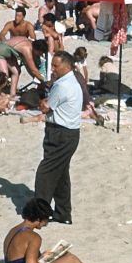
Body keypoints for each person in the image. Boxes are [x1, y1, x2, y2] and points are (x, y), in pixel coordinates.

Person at [2, 199, 119, 263]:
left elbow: (18, 259)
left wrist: (42, 256)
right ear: (38, 219)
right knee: (71, 260)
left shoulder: (13, 230)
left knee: (64, 255)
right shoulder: (34, 237)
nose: (46, 223)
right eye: (46, 220)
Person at [33, 51, 82, 224]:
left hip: (60, 133)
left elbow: (46, 107)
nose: (52, 69)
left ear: (66, 66)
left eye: (55, 66)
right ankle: (62, 213)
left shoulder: (63, 85)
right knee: (60, 174)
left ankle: (39, 214)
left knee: (45, 173)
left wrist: (42, 101)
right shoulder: (70, 81)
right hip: (68, 132)